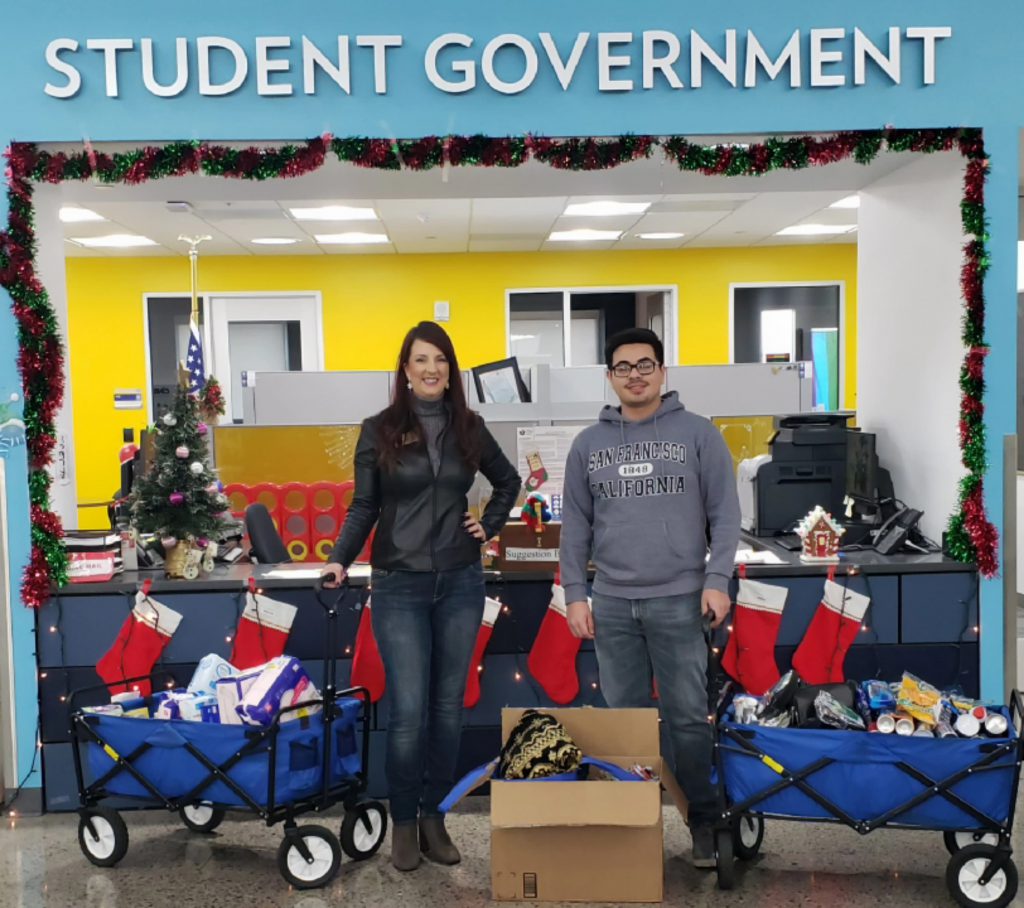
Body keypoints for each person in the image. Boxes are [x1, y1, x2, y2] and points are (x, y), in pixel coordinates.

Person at [321, 321, 521, 872]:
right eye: (421, 360)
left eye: (441, 360)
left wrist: (491, 524)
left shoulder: (469, 428)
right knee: (408, 711)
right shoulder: (378, 430)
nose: (432, 369)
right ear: (405, 370)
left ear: (450, 369)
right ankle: (404, 821)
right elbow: (365, 506)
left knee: (448, 710)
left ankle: (436, 817)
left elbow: (508, 482)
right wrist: (340, 556)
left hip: (461, 580)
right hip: (398, 584)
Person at [559, 327, 740, 868]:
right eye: (623, 367)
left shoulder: (700, 435)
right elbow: (575, 528)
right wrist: (575, 593)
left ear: (663, 371)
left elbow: (725, 517)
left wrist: (718, 579)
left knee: (687, 717)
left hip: (681, 599)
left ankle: (702, 822)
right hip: (611, 603)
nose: (634, 375)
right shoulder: (588, 445)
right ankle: (635, 828)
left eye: (645, 364)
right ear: (610, 377)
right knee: (626, 721)